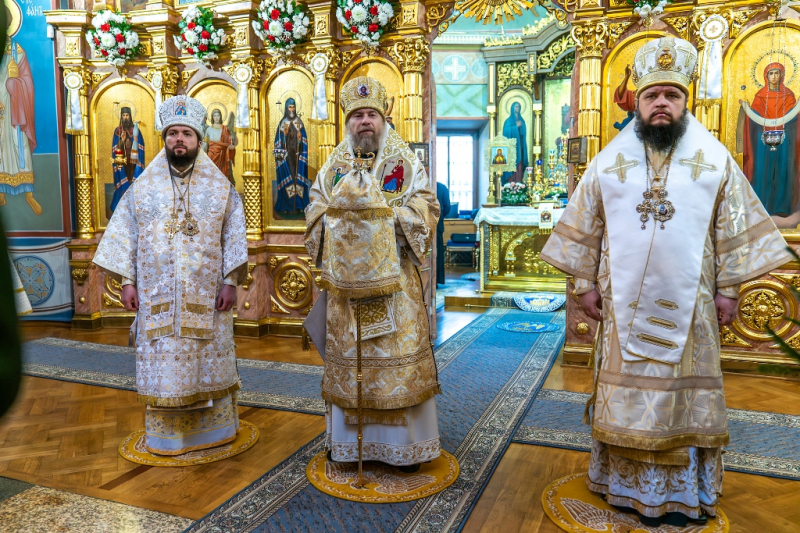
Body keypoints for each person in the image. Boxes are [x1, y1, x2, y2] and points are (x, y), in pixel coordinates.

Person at [541, 37, 791, 527]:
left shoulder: (714, 159)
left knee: (681, 398)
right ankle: (620, 483)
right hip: (620, 304)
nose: (661, 103)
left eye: (671, 95)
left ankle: (682, 491)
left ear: (685, 101)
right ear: (637, 101)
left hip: (693, 308)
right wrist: (584, 286)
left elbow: (733, 229)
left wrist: (729, 290)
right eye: (652, 94)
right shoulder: (609, 161)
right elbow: (585, 224)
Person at [93, 95, 248, 456]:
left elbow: (235, 236)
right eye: (173, 133)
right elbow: (124, 235)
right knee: (163, 359)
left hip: (208, 296)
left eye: (187, 134)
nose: (179, 140)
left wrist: (231, 281)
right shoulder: (141, 189)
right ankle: (166, 436)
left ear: (197, 140)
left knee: (206, 356)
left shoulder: (221, 189)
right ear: (165, 138)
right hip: (155, 294)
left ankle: (214, 431)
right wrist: (128, 282)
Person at [304, 76, 441, 472]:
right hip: (346, 292)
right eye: (357, 115)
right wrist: (341, 222)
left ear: (384, 119)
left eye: (371, 115)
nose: (365, 122)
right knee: (350, 361)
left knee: (396, 361)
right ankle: (348, 446)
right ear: (348, 122)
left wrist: (379, 220)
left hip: (395, 285)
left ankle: (405, 449)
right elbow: (314, 213)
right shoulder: (333, 166)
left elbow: (426, 209)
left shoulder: (405, 163)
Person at [738, 62, 800, 223]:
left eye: (777, 73)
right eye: (771, 73)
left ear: (782, 76)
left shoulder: (788, 95)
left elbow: (792, 117)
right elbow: (755, 117)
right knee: (762, 170)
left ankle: (782, 207)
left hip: (785, 140)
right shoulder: (760, 95)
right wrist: (747, 110)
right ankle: (761, 205)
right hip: (762, 140)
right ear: (766, 76)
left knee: (782, 171)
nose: (774, 76)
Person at [0, 4, 40, 215]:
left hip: (14, 109)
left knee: (17, 144)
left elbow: (27, 84)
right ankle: (1, 193)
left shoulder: (17, 51)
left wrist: (15, 83)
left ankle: (28, 194)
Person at [274, 98, 310, 214]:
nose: (292, 109)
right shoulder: (283, 122)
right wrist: (284, 137)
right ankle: (286, 205)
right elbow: (278, 142)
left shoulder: (299, 122)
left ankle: (299, 205)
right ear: (286, 108)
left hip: (298, 156)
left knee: (297, 178)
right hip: (286, 157)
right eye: (290, 107)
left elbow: (303, 141)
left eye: (293, 107)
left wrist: (300, 140)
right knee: (288, 177)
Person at [110, 107, 145, 214]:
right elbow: (116, 148)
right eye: (123, 115)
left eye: (127, 115)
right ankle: (121, 205)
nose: (125, 117)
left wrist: (132, 138)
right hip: (122, 162)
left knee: (132, 179)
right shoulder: (118, 130)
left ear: (130, 116)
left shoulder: (135, 130)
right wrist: (122, 140)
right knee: (123, 179)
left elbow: (141, 146)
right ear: (121, 116)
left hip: (133, 162)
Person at [202, 107, 237, 186]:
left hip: (222, 155)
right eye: (214, 115)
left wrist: (231, 147)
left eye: (218, 115)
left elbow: (229, 142)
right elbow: (206, 145)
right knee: (211, 175)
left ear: (221, 117)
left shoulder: (225, 129)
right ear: (212, 117)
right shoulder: (208, 129)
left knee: (222, 176)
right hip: (211, 155)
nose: (216, 117)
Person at [501, 101, 528, 182]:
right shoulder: (508, 121)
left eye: (519, 107)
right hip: (512, 148)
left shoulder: (521, 120)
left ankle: (519, 182)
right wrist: (516, 127)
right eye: (516, 106)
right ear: (512, 108)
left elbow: (523, 134)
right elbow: (505, 132)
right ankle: (510, 183)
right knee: (512, 164)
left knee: (519, 164)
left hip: (520, 146)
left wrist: (521, 126)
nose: (518, 108)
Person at [436, 181, 451, 286]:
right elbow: (447, 207)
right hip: (437, 224)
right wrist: (439, 216)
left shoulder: (420, 184)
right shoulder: (441, 187)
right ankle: (437, 280)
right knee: (438, 253)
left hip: (423, 223)